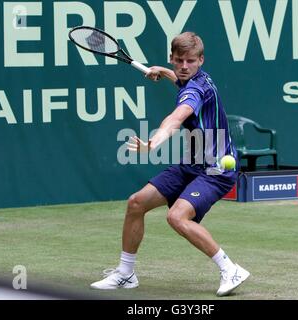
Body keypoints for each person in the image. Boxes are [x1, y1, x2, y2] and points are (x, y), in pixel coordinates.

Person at [90, 32, 250, 296]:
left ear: (201, 60)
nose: (184, 67)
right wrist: (164, 72)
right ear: (172, 58)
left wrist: (154, 142)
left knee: (176, 217)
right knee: (136, 203)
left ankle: (230, 269)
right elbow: (180, 81)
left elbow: (176, 118)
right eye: (178, 61)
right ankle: (126, 274)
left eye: (190, 61)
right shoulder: (193, 79)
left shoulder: (197, 89)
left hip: (216, 171)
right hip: (190, 165)